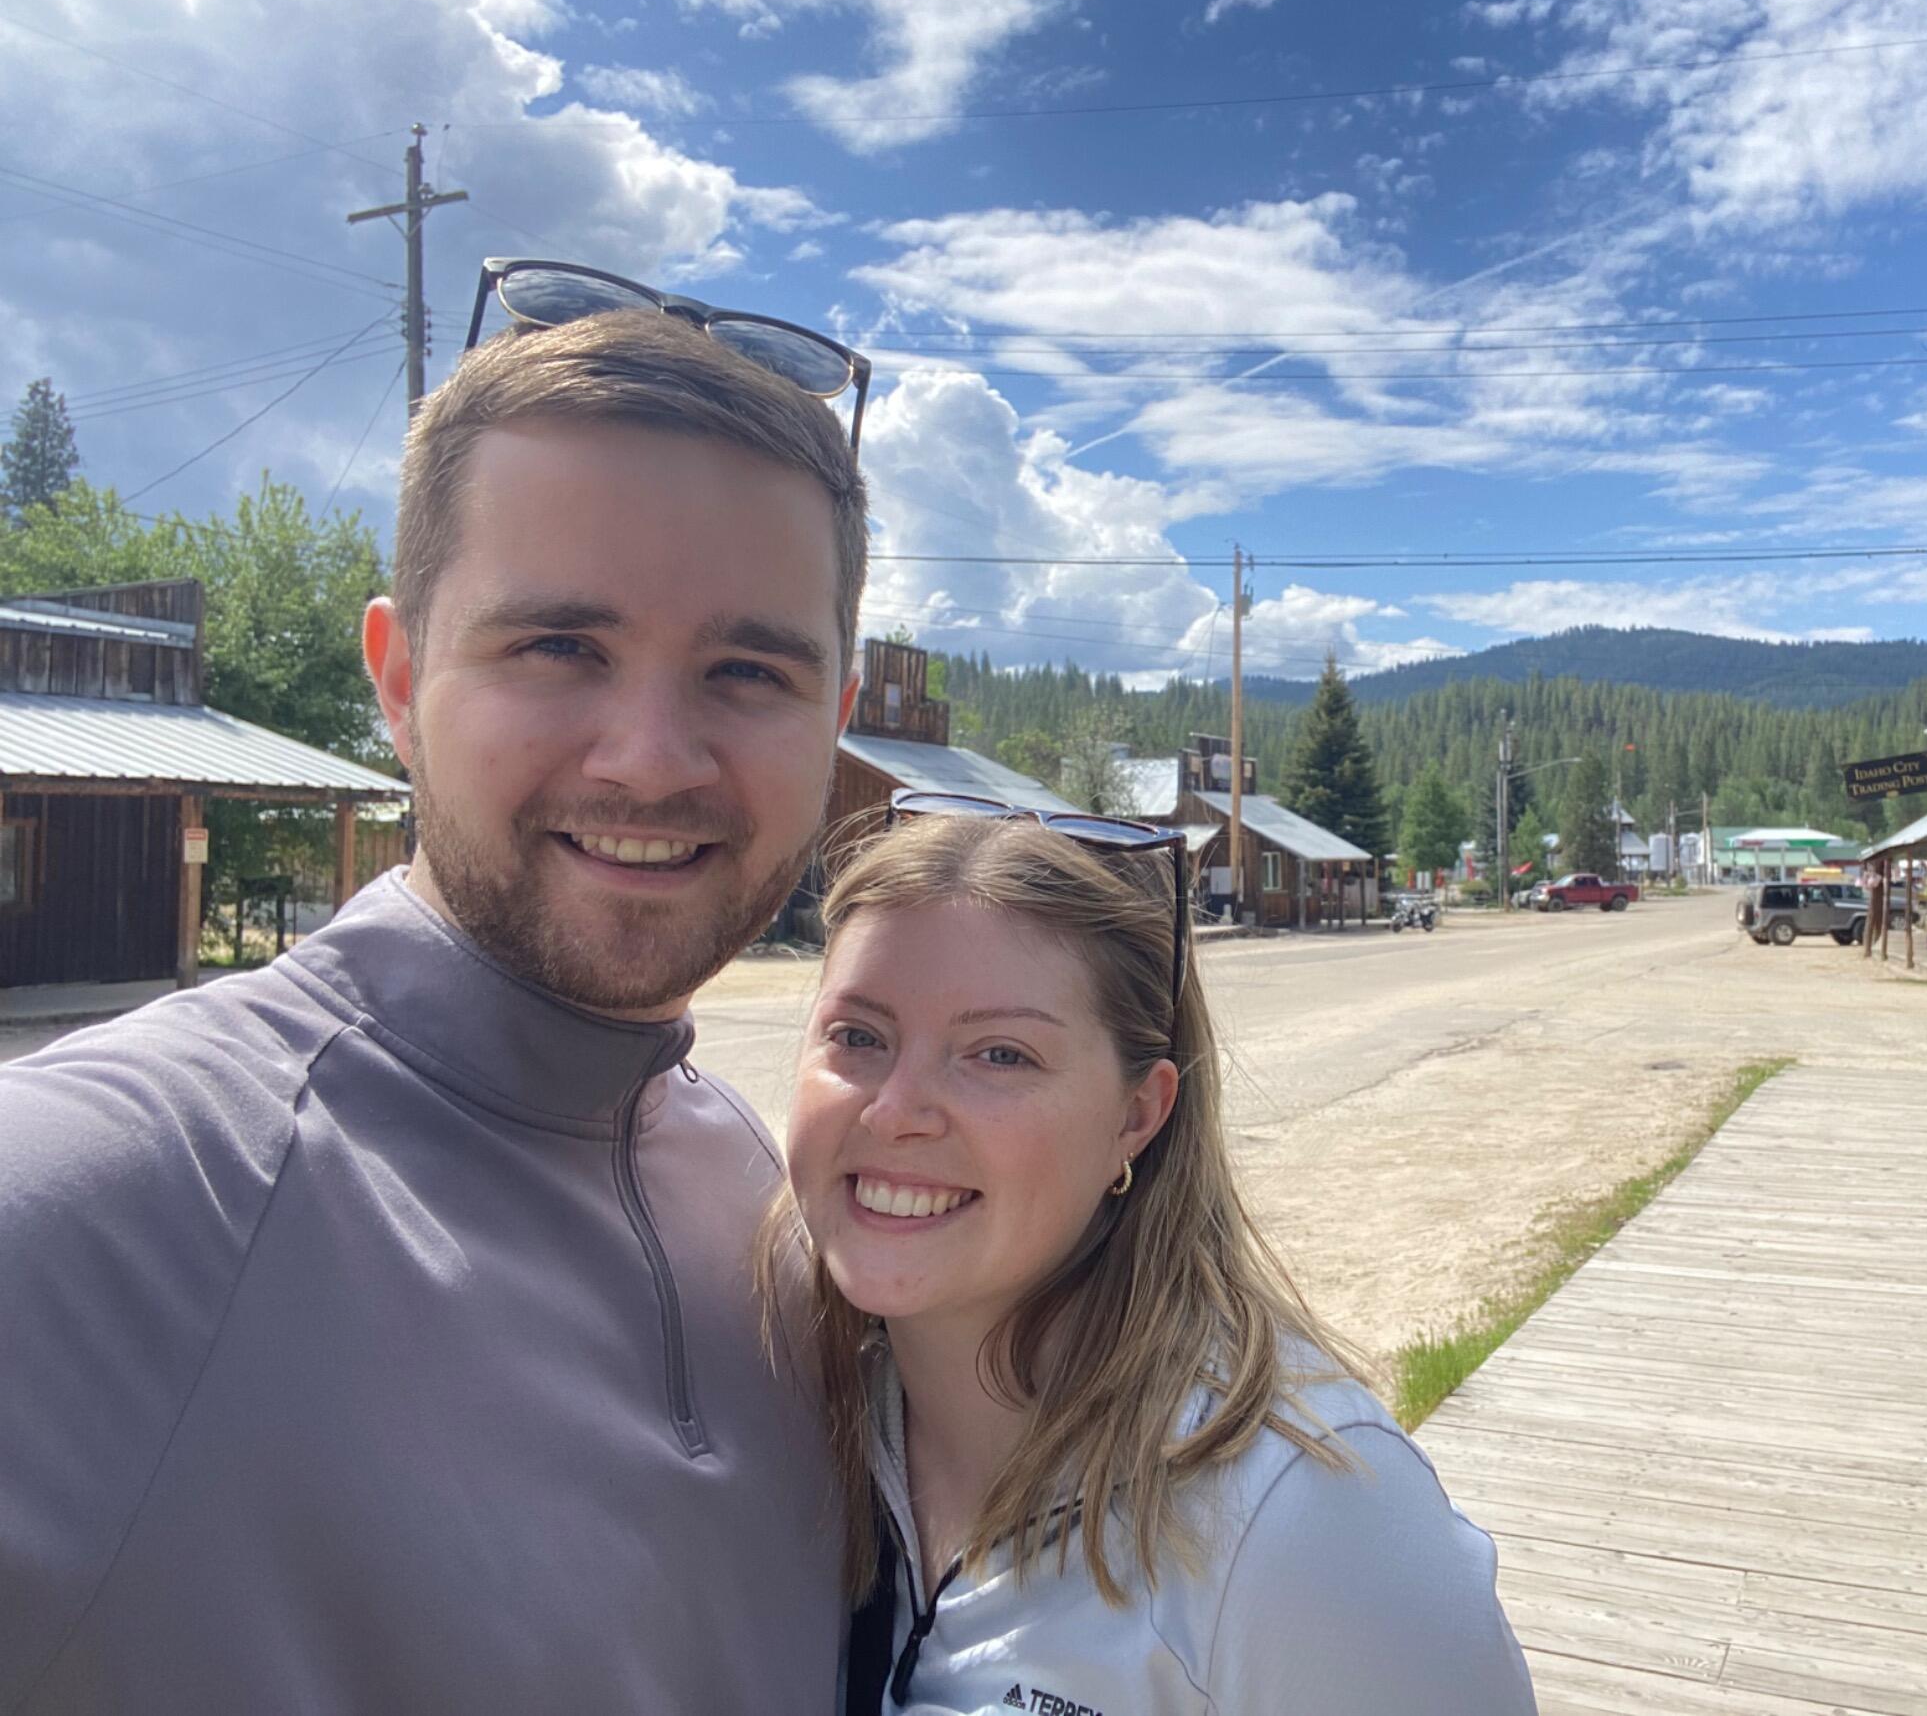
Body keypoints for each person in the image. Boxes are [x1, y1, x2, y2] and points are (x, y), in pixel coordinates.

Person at [0, 281, 873, 1712]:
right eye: (558, 647)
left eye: (747, 670)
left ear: (834, 723)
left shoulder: (754, 1186)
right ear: (398, 680)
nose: (653, 759)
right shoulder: (119, 1198)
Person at [775, 801, 1537, 1715]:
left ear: (1138, 1113)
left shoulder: (1301, 1522)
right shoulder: (783, 1403)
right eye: (858, 1036)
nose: (896, 1109)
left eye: (1000, 1054)